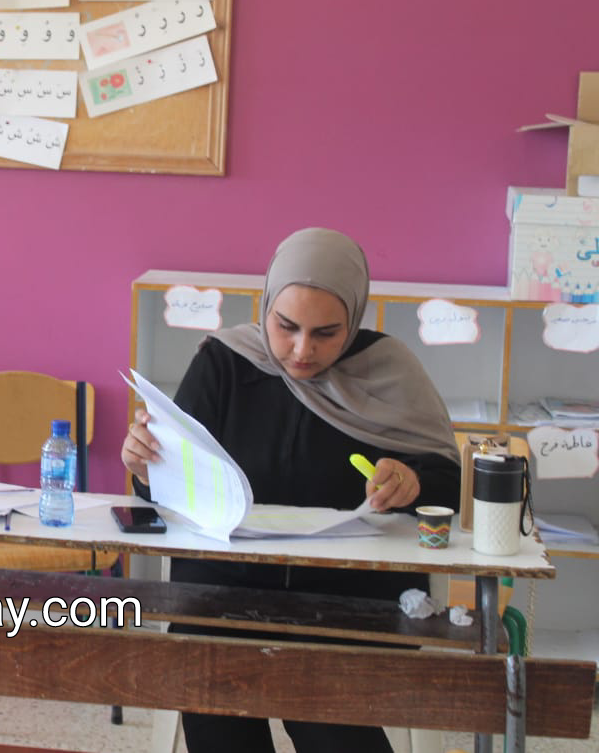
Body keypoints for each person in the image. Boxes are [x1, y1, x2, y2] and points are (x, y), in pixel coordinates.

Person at [120, 227, 460, 753]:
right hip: (226, 592)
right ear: (266, 307)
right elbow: (170, 484)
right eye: (286, 327)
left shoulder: (387, 372)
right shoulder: (225, 363)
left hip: (346, 599)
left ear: (354, 316)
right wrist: (145, 467)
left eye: (326, 332)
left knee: (329, 725)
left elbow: (447, 488)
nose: (302, 350)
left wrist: (411, 481)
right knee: (217, 713)